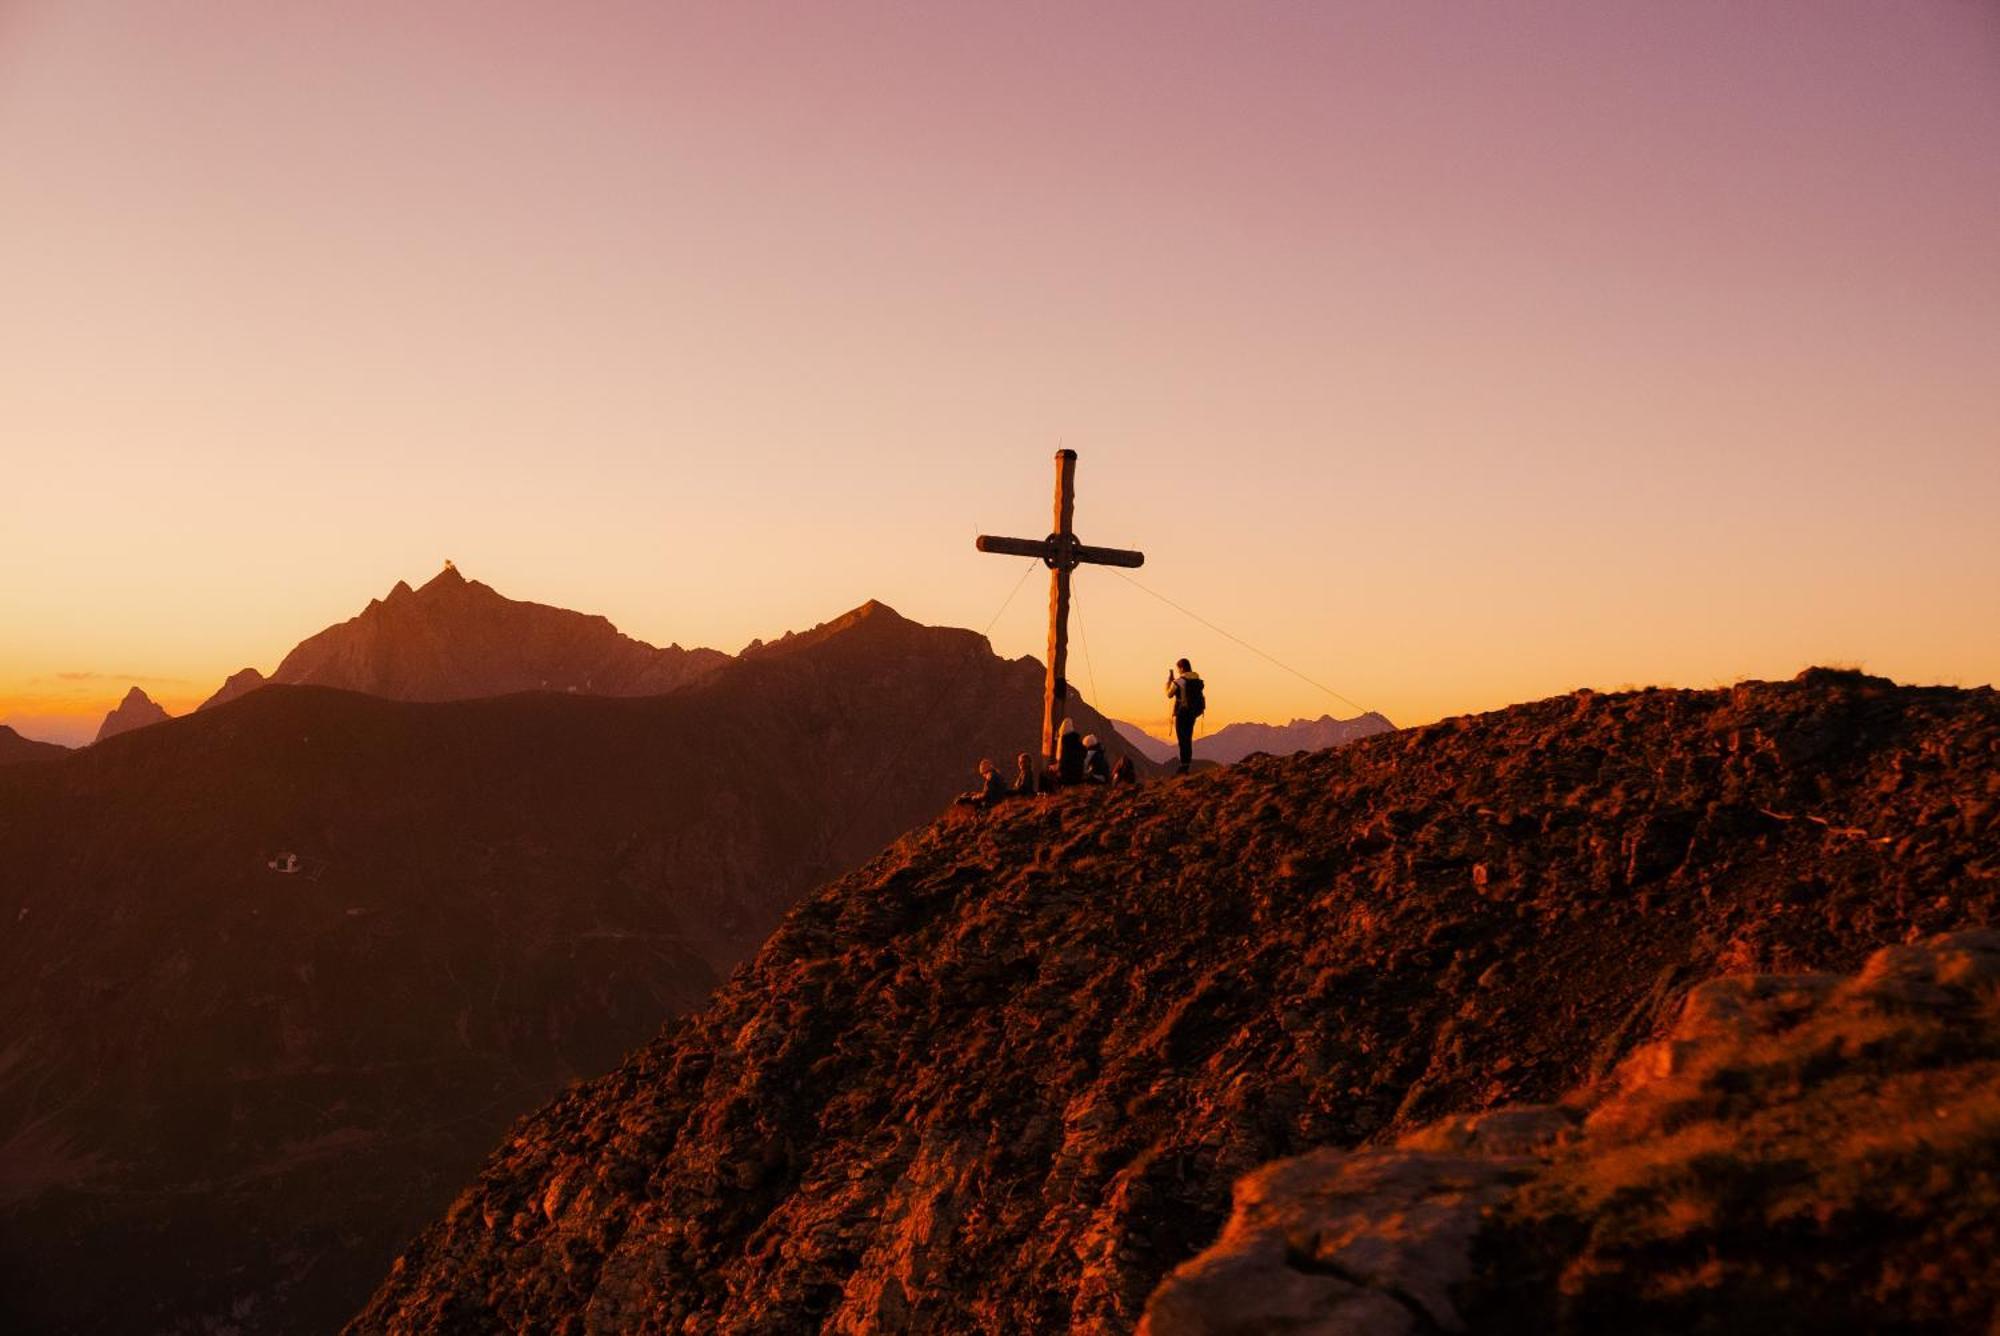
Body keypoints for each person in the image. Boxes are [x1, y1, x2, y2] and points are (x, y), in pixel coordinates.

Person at [1165, 658, 1206, 775]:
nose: (1178, 672)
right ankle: (1186, 763)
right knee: (1188, 737)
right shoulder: (1196, 679)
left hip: (1182, 712)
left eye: (1178, 669)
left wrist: (1169, 682)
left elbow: (1169, 694)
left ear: (1182, 668)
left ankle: (1184, 765)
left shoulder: (1180, 681)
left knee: (1182, 739)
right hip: (1193, 712)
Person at [1056, 717, 1087, 786]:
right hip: (1078, 774)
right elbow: (1084, 753)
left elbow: (1064, 760)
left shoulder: (1065, 743)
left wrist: (1059, 769)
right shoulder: (1077, 741)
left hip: (1068, 775)